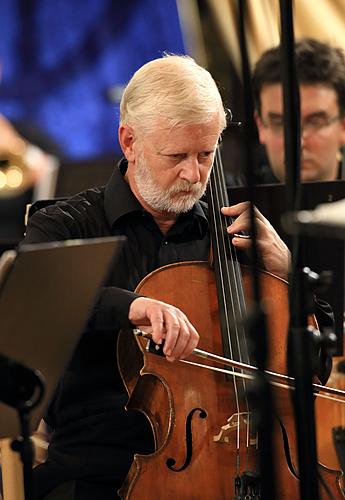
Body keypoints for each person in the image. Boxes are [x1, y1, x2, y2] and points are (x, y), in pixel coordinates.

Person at [23, 54, 301, 499]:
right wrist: (130, 305)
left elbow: (313, 357)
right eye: (176, 156)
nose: (194, 175)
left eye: (206, 154)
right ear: (129, 141)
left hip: (238, 465)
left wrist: (289, 273)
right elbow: (35, 298)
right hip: (101, 470)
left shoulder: (237, 235)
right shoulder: (66, 225)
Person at [252, 37, 345, 184]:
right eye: (280, 123)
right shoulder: (233, 200)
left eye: (315, 122)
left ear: (343, 125)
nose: (298, 143)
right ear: (261, 126)